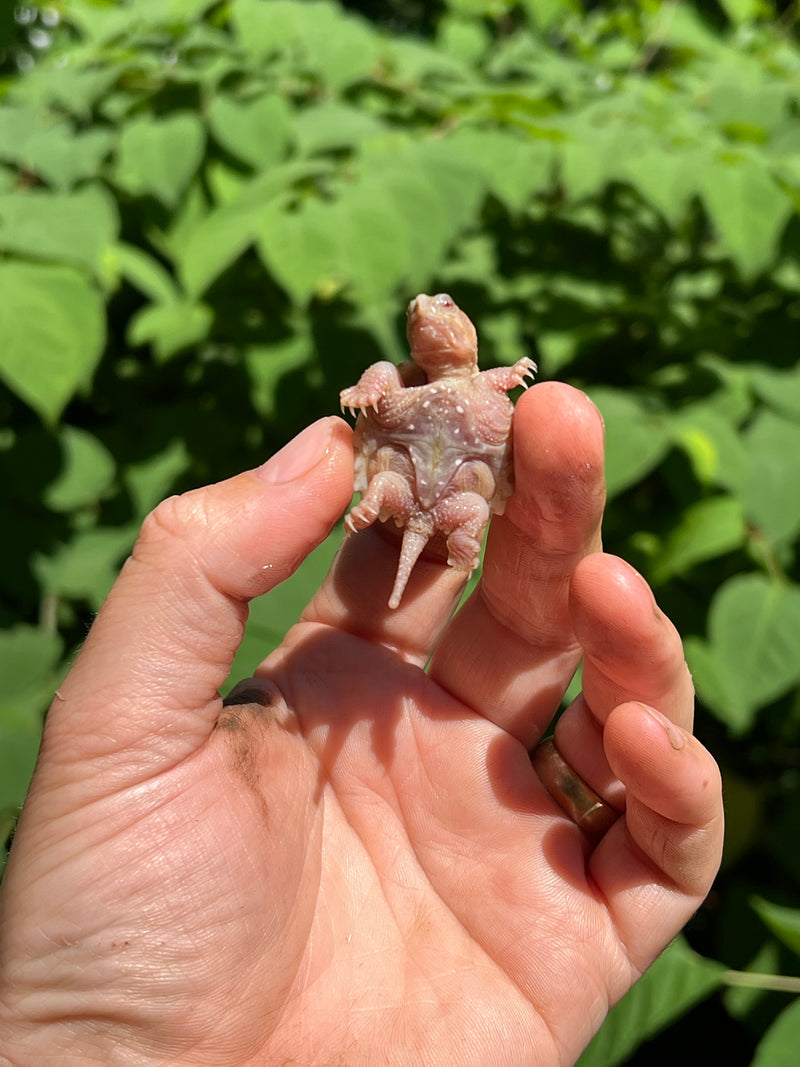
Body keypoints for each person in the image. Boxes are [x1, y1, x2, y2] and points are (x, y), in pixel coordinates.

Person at [0, 383, 723, 1066]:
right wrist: (85, 1041)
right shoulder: (407, 386)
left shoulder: (482, 385)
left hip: (446, 486)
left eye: (439, 311)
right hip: (408, 478)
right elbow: (384, 396)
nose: (428, 314)